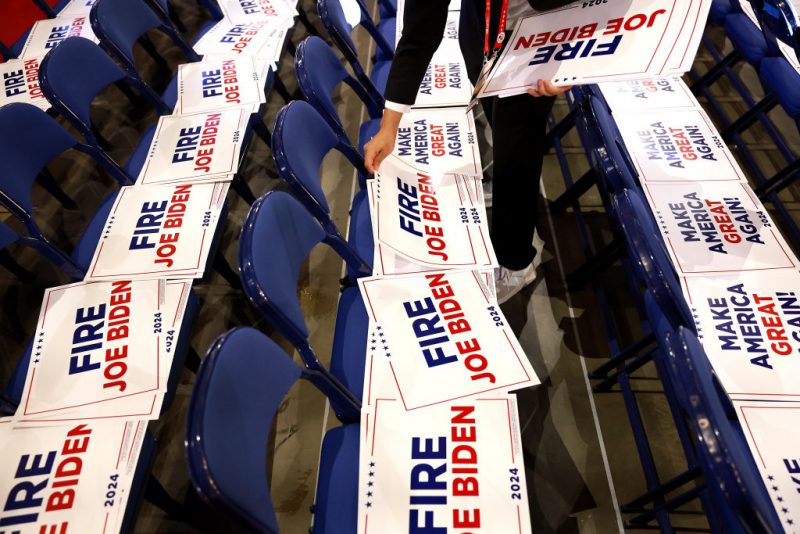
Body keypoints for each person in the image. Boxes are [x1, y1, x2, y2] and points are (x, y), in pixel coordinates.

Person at [364, 0, 576, 303]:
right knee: (498, 125)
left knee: (517, 152)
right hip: (483, 31)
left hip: (544, 38)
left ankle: (518, 261)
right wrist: (390, 125)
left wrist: (574, 63)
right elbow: (420, 31)